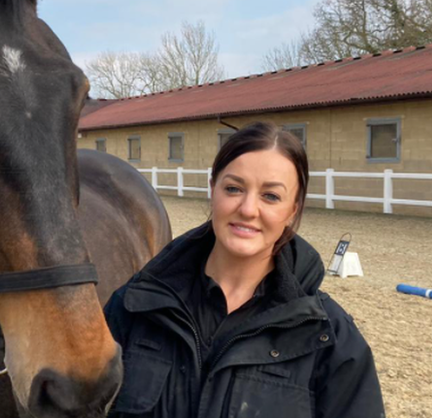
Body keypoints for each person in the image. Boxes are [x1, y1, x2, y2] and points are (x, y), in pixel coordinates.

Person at [104, 121, 385, 418]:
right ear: (213, 190)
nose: (248, 209)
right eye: (234, 188)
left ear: (293, 208)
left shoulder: (330, 338)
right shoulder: (134, 306)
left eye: (271, 196)